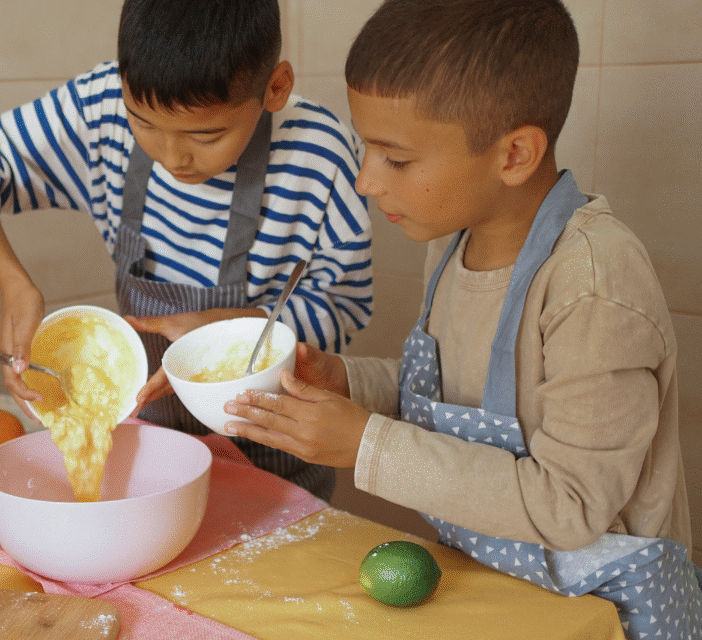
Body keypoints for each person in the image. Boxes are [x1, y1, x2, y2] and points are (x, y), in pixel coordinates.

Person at [223, 0, 702, 636]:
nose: (366, 181)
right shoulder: (454, 244)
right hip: (503, 595)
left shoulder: (593, 285)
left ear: (515, 154)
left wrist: (367, 444)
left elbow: (571, 506)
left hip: (607, 615)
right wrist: (347, 382)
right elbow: (462, 396)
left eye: (394, 159)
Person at [0, 0, 372, 500]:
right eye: (145, 123)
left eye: (206, 134)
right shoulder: (103, 108)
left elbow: (344, 303)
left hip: (274, 461)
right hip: (148, 454)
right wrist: (13, 282)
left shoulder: (317, 153)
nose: (172, 157)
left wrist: (232, 331)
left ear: (275, 87)